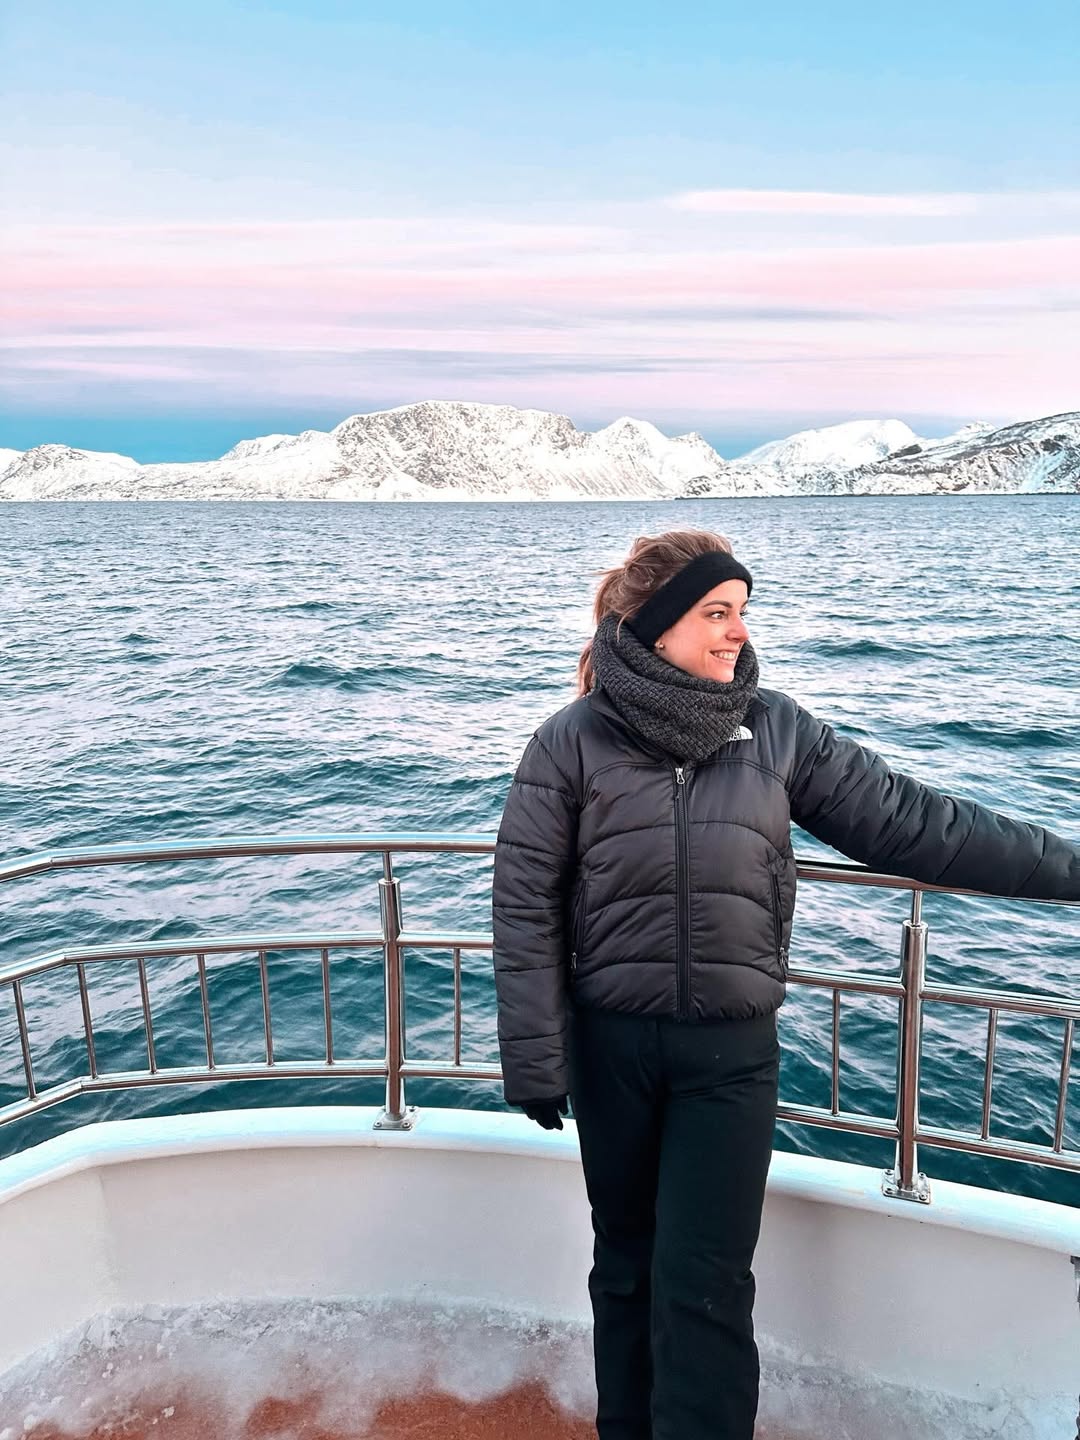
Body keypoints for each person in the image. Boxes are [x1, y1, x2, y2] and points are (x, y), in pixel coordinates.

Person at [491, 527, 1079, 1440]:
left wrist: (1071, 868)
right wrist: (535, 1058)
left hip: (729, 1060)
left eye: (741, 612)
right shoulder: (572, 741)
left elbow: (915, 823)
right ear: (655, 625)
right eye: (715, 613)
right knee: (627, 1269)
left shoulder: (776, 730)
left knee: (708, 1282)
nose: (738, 632)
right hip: (612, 1052)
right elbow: (525, 901)